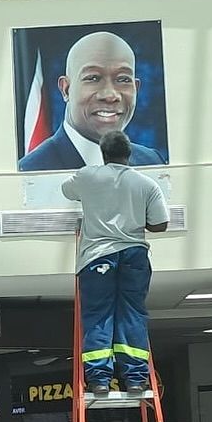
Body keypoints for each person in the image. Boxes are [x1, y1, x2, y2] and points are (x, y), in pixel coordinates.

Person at [61, 130, 169, 396]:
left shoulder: (88, 176)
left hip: (97, 257)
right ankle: (135, 379)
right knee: (132, 313)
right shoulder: (146, 184)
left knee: (99, 315)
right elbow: (160, 224)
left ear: (103, 153)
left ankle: (99, 380)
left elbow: (67, 190)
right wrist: (134, 218)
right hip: (134, 254)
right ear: (129, 153)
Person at [18, 30, 164, 172]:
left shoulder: (152, 162)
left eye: (123, 79)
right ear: (66, 89)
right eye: (93, 78)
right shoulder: (30, 172)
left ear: (136, 88)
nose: (110, 95)